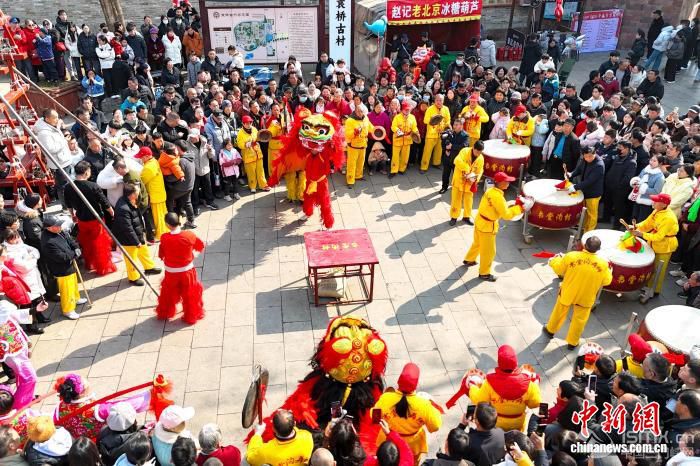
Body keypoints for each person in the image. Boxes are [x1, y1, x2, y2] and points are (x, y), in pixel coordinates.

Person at [542, 236, 613, 350]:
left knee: (559, 312)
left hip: (568, 292)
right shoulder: (603, 264)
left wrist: (553, 260)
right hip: (586, 297)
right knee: (579, 321)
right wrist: (610, 271)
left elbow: (559, 269)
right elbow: (607, 281)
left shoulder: (571, 256)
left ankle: (550, 330)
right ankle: (573, 342)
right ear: (598, 249)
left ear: (584, 245)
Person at [463, 172, 532, 281]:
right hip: (487, 226)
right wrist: (520, 208)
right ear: (500, 183)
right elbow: (506, 215)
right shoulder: (498, 197)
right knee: (489, 252)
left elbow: (500, 207)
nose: (508, 183)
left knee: (477, 243)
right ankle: (484, 273)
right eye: (506, 181)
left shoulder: (490, 191)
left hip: (480, 221)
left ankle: (469, 259)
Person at [373, 363, 442, 463]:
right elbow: (435, 426)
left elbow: (374, 417)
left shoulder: (386, 398)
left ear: (399, 381)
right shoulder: (424, 405)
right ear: (416, 384)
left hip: (388, 442)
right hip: (413, 445)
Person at [467, 345, 541, 431]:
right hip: (517, 425)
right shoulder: (528, 383)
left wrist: (473, 386)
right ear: (516, 362)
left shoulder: (490, 382)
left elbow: (479, 400)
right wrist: (536, 384)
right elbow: (535, 403)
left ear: (499, 363)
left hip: (495, 423)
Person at [64, 161, 116, 276]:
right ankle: (103, 267)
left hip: (81, 219)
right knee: (100, 243)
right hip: (95, 219)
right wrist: (111, 212)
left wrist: (72, 215)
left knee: (87, 242)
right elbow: (104, 202)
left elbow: (68, 204)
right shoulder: (93, 186)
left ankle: (90, 263)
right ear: (86, 172)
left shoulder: (68, 187)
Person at [629, 193, 679, 303]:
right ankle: (647, 285)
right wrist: (636, 226)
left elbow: (659, 237)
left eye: (656, 201)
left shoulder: (668, 218)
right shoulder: (657, 210)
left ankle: (654, 290)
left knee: (658, 269)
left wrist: (641, 234)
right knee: (651, 266)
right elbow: (648, 223)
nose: (653, 202)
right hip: (653, 242)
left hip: (664, 245)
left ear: (664, 204)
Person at [156, 212, 204, 325]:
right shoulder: (189, 235)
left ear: (167, 225)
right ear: (179, 221)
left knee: (167, 293)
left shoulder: (164, 237)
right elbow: (200, 246)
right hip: (187, 272)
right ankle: (191, 316)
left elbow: (161, 254)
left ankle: (165, 312)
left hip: (171, 272)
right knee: (190, 295)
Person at [112, 183, 161, 286]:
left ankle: (149, 267)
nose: (139, 194)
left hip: (137, 234)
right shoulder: (123, 209)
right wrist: (136, 241)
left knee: (144, 252)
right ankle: (133, 278)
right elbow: (127, 228)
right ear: (132, 194)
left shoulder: (129, 201)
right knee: (131, 259)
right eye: (137, 193)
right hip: (128, 239)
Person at [40, 215, 86, 319]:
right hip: (61, 269)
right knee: (66, 289)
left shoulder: (59, 231)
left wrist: (76, 247)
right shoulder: (48, 242)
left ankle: (75, 298)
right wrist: (75, 254)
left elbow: (70, 240)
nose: (60, 227)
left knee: (73, 283)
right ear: (49, 228)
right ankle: (68, 310)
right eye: (57, 225)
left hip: (69, 263)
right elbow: (61, 257)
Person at [33, 109, 73, 210]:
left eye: (57, 117)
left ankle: (70, 204)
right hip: (58, 163)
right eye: (54, 118)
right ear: (47, 119)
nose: (57, 119)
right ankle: (66, 207)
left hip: (63, 159)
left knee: (67, 184)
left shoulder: (51, 126)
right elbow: (50, 149)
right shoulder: (44, 133)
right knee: (63, 187)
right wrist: (64, 141)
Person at [0, 300, 36, 410]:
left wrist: (35, 309)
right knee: (30, 378)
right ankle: (18, 405)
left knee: (21, 377)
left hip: (17, 350)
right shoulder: (3, 314)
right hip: (13, 354)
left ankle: (27, 397)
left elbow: (16, 316)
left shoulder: (5, 311)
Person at [246, 409, 314, 466]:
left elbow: (250, 458)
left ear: (273, 429)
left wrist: (257, 434)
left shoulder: (266, 450)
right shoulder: (307, 437)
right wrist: (288, 418)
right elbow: (298, 432)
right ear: (295, 424)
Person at [569, 147, 605, 232]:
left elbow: (590, 181)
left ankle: (589, 232)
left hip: (593, 193)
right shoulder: (584, 159)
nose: (588, 159)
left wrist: (575, 187)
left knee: (592, 214)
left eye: (590, 156)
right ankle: (583, 227)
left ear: (594, 154)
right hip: (584, 190)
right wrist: (571, 174)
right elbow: (579, 169)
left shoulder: (599, 165)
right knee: (584, 211)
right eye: (585, 157)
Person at [449, 141, 484, 225]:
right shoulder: (465, 151)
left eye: (480, 152)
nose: (478, 154)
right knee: (456, 200)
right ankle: (454, 217)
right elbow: (456, 160)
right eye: (477, 152)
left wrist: (475, 179)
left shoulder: (481, 158)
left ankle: (466, 217)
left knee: (469, 201)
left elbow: (480, 171)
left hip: (469, 183)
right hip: (459, 180)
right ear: (473, 148)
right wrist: (467, 169)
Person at [344, 103, 374, 188]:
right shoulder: (350, 120)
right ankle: (350, 180)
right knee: (352, 163)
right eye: (359, 111)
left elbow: (370, 127)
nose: (361, 113)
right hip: (353, 145)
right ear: (355, 111)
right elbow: (347, 134)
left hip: (363, 144)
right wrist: (355, 132)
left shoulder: (365, 118)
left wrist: (376, 130)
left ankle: (358, 175)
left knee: (361, 161)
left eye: (362, 111)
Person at [237, 115, 269, 193]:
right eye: (247, 123)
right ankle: (252, 186)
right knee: (251, 172)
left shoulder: (254, 129)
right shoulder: (240, 133)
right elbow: (239, 144)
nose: (249, 124)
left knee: (260, 170)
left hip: (257, 153)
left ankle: (263, 185)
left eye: (250, 122)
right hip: (248, 155)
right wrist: (245, 145)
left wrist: (261, 137)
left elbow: (257, 137)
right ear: (243, 123)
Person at [421, 94, 451, 172]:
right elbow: (425, 120)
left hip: (441, 133)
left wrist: (445, 126)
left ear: (443, 101)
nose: (439, 102)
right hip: (431, 134)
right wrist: (433, 120)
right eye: (437, 100)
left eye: (440, 100)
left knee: (439, 150)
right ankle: (424, 167)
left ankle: (436, 163)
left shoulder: (446, 109)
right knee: (427, 151)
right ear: (434, 100)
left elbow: (448, 120)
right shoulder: (430, 109)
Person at [390, 101, 418, 177]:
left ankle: (402, 169)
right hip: (397, 139)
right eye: (406, 109)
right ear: (402, 109)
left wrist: (416, 132)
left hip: (408, 139)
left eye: (408, 109)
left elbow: (414, 127)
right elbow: (393, 127)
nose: (407, 111)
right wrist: (399, 132)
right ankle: (394, 170)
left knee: (405, 156)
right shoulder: (397, 117)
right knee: (395, 156)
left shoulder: (412, 117)